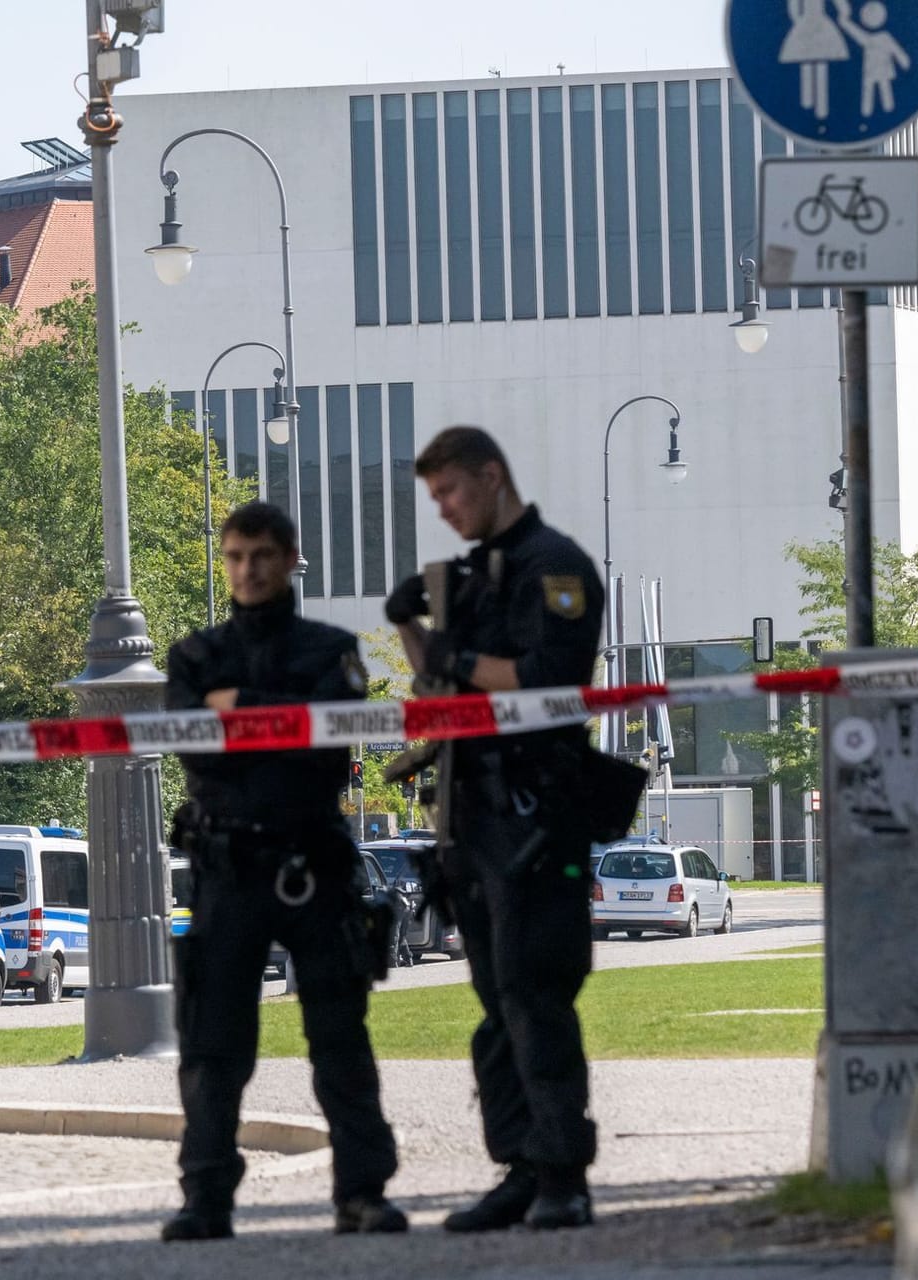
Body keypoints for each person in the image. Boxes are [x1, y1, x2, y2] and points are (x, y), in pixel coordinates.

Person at [162, 500, 405, 1242]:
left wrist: (242, 712)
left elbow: (326, 748)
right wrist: (278, 714)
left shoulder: (330, 647)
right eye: (235, 556)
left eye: (262, 555)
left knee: (340, 1038)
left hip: (313, 863)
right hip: (226, 868)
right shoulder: (195, 657)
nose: (247, 570)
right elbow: (196, 750)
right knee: (212, 1048)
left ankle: (362, 1193)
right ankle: (206, 1198)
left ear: (290, 558)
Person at [386, 426, 605, 1231]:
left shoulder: (556, 566)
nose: (442, 510)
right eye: (434, 497)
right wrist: (412, 625)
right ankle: (520, 1164)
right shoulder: (471, 578)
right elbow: (437, 682)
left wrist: (450, 648)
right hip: (470, 815)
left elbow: (548, 678)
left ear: (491, 476)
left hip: (537, 814)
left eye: (450, 492)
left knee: (535, 996)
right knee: (495, 1005)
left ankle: (562, 1178)